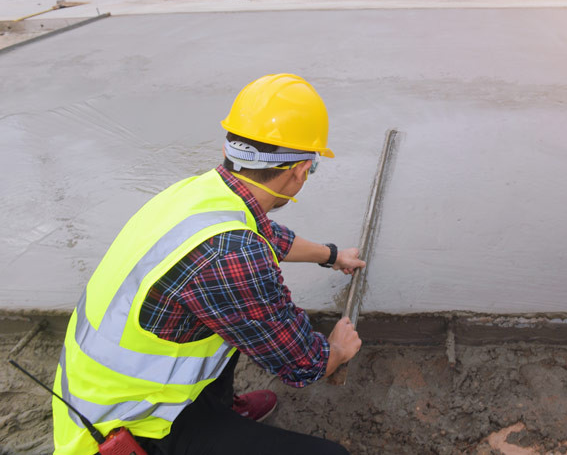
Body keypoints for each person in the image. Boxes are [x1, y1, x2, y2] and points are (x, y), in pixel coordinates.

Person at [52, 74, 365, 455]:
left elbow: (264, 233)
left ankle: (218, 410)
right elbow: (302, 365)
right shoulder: (231, 254)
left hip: (99, 395)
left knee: (232, 320)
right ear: (300, 170)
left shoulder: (201, 192)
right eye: (311, 168)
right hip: (125, 430)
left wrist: (332, 255)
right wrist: (336, 351)